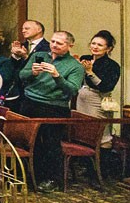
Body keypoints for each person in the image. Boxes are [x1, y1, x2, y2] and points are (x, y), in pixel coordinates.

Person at [19, 30, 86, 187]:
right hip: (30, 102)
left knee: (50, 144)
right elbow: (22, 75)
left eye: (59, 43)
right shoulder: (38, 55)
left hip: (54, 107)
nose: (54, 45)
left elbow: (72, 90)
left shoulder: (75, 66)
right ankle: (30, 175)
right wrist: (32, 72)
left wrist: (57, 76)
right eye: (53, 41)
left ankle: (52, 179)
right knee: (28, 142)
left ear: (70, 46)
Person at [75, 30, 121, 146]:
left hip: (97, 100)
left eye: (100, 45)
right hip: (82, 98)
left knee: (98, 133)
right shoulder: (85, 58)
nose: (95, 47)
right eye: (93, 43)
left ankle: (101, 159)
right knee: (81, 131)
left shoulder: (112, 65)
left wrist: (90, 72)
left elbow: (106, 87)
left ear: (108, 49)